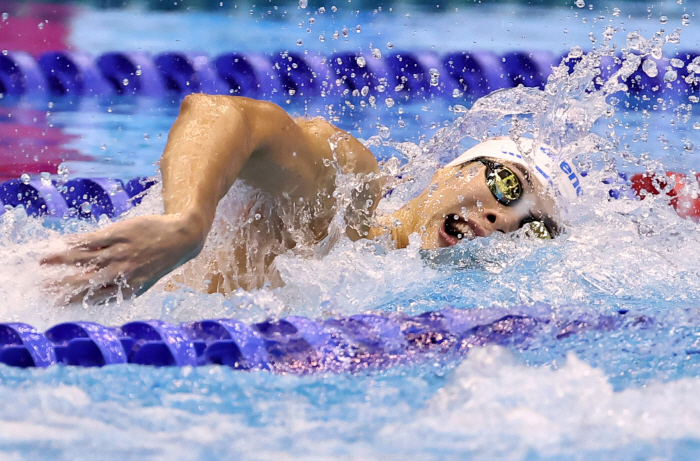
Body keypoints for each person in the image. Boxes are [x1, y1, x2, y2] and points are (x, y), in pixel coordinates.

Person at [41, 94, 581, 304]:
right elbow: (223, 115)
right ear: (451, 169)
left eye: (530, 226)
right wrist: (188, 222)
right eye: (510, 186)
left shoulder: (406, 302)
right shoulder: (350, 198)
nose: (503, 217)